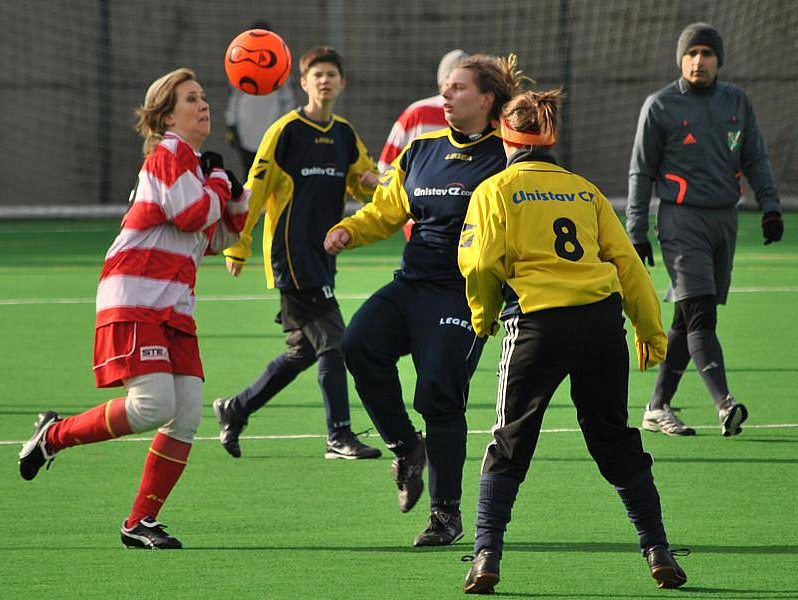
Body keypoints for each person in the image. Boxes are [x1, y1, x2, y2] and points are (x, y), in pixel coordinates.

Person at [458, 90, 686, 594]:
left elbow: (478, 263)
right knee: (615, 439)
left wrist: (483, 314)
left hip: (536, 324)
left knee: (509, 442)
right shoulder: (585, 191)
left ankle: (485, 556)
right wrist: (648, 328)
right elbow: (627, 263)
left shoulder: (495, 190)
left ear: (504, 136)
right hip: (601, 325)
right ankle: (657, 549)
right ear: (550, 137)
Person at [17, 68, 249, 549]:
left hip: (174, 304)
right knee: (153, 406)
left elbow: (219, 236)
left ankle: (139, 523)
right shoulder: (167, 156)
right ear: (166, 115)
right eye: (191, 98)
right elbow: (193, 214)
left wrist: (239, 191)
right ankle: (53, 436)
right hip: (137, 296)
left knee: (184, 417)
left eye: (205, 97)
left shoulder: (194, 168)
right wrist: (223, 183)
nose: (204, 104)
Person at [324, 54, 527, 547]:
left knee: (438, 391)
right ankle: (405, 448)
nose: (446, 95)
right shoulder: (421, 150)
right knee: (358, 345)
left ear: (487, 100)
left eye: (457, 88)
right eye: (445, 87)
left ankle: (445, 515)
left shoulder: (508, 158)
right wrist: (349, 229)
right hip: (412, 283)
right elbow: (385, 210)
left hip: (464, 293)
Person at [213, 46, 382, 461]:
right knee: (334, 342)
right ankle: (338, 435)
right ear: (303, 83)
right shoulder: (286, 131)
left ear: (342, 83)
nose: (324, 81)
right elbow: (256, 189)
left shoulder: (344, 134)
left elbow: (362, 183)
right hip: (291, 255)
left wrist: (381, 182)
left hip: (323, 256)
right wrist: (239, 242)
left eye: (331, 75)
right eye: (317, 75)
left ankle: (235, 408)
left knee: (303, 351)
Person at [626, 22, 785, 437]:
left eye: (706, 53)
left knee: (686, 315)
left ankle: (657, 407)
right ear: (680, 59)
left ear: (719, 59)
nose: (699, 61)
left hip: (724, 220)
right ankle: (725, 404)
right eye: (691, 53)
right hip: (681, 220)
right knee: (701, 312)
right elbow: (641, 172)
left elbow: (755, 158)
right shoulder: (659, 106)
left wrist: (770, 205)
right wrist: (636, 230)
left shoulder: (737, 101)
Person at [379, 49, 469, 241]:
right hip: (423, 223)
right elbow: (387, 169)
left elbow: (385, 167)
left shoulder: (417, 112)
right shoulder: (418, 113)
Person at [225, 20, 297, 174]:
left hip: (271, 127)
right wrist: (232, 125)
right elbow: (234, 99)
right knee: (249, 173)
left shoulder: (280, 66)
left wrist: (287, 125)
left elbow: (288, 100)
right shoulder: (240, 65)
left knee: (271, 175)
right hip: (246, 129)